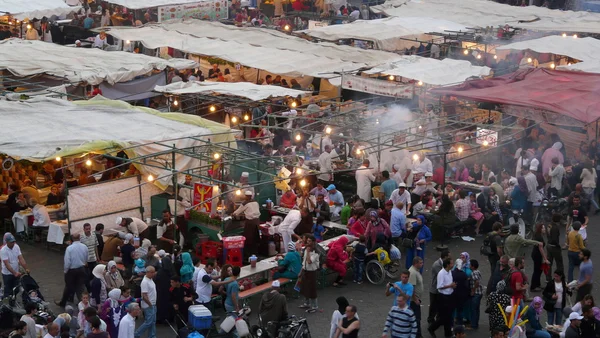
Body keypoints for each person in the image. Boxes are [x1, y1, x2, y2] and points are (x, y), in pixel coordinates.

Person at [56, 233, 88, 308]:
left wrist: (65, 271)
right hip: (81, 268)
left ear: (72, 239)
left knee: (68, 287)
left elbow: (67, 262)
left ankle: (63, 302)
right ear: (79, 238)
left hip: (72, 270)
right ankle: (83, 304)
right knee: (80, 287)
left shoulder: (69, 248)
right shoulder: (84, 247)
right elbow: (86, 258)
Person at [428, 258, 455, 338]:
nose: (452, 265)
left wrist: (452, 286)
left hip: (450, 295)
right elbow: (439, 286)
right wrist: (450, 286)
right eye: (451, 263)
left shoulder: (449, 271)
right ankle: (432, 328)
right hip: (443, 297)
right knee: (444, 317)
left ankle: (448, 334)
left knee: (449, 316)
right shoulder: (441, 273)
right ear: (447, 265)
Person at [1, 233, 28, 299]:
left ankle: (13, 300)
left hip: (16, 271)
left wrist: (26, 268)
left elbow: (21, 258)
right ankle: (6, 303)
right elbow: (7, 264)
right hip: (7, 274)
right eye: (11, 242)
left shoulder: (16, 247)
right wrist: (14, 273)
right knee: (8, 290)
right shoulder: (3, 250)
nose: (13, 243)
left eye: (13, 242)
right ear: (7, 242)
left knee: (16, 288)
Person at [428, 250, 450, 325]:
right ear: (445, 257)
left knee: (439, 305)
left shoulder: (442, 263)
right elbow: (442, 275)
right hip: (435, 289)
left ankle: (438, 319)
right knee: (433, 305)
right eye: (448, 257)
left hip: (439, 289)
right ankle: (430, 319)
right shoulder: (437, 265)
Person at [299, 234, 319, 313]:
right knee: (304, 288)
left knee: (312, 289)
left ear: (313, 242)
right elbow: (304, 262)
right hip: (305, 271)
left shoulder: (315, 252)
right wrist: (301, 271)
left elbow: (309, 261)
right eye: (307, 241)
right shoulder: (305, 249)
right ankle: (306, 303)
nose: (308, 242)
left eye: (310, 241)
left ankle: (315, 306)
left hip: (312, 272)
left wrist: (307, 252)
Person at [135, 265, 156, 338]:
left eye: (154, 272)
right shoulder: (145, 282)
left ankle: (152, 336)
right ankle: (137, 334)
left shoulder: (150, 279)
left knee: (152, 322)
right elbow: (144, 296)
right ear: (147, 272)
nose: (154, 273)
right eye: (152, 272)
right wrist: (150, 304)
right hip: (149, 305)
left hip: (153, 304)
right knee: (148, 322)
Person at [408, 257, 424, 337]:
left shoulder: (416, 271)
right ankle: (418, 335)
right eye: (420, 263)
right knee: (416, 318)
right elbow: (412, 288)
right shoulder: (413, 273)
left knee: (417, 318)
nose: (422, 264)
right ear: (415, 263)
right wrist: (415, 299)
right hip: (414, 301)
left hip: (417, 299)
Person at [81, 223, 99, 288]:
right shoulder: (81, 237)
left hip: (93, 259)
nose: (88, 230)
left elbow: (95, 246)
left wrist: (97, 257)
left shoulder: (94, 235)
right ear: (84, 229)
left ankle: (93, 287)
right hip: (86, 260)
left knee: (94, 274)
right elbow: (81, 250)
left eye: (89, 229)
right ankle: (89, 289)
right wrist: (84, 261)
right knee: (87, 276)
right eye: (86, 229)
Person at [531, 223, 547, 292]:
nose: (544, 229)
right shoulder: (539, 237)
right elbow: (541, 249)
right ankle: (533, 286)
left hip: (536, 254)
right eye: (543, 228)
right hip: (537, 255)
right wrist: (545, 258)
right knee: (537, 271)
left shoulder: (537, 235)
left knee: (539, 270)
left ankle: (537, 284)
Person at [470, 259, 483, 330]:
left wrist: (473, 290)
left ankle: (473, 325)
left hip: (476, 293)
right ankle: (475, 324)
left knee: (474, 309)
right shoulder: (477, 271)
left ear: (472, 266)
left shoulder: (474, 273)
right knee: (476, 309)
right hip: (480, 293)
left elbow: (477, 282)